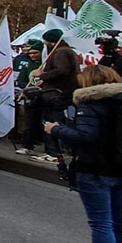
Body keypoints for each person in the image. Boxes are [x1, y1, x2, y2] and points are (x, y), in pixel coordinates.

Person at [45, 66, 122, 243]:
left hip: (95, 168)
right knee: (121, 221)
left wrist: (56, 129)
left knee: (101, 222)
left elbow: (85, 136)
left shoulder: (91, 103)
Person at [21, 28, 79, 162]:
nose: (45, 43)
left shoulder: (60, 52)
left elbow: (62, 70)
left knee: (52, 121)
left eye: (46, 41)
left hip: (56, 94)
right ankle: (54, 152)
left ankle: (53, 153)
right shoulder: (67, 51)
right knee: (54, 121)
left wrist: (42, 75)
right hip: (60, 92)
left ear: (51, 41)